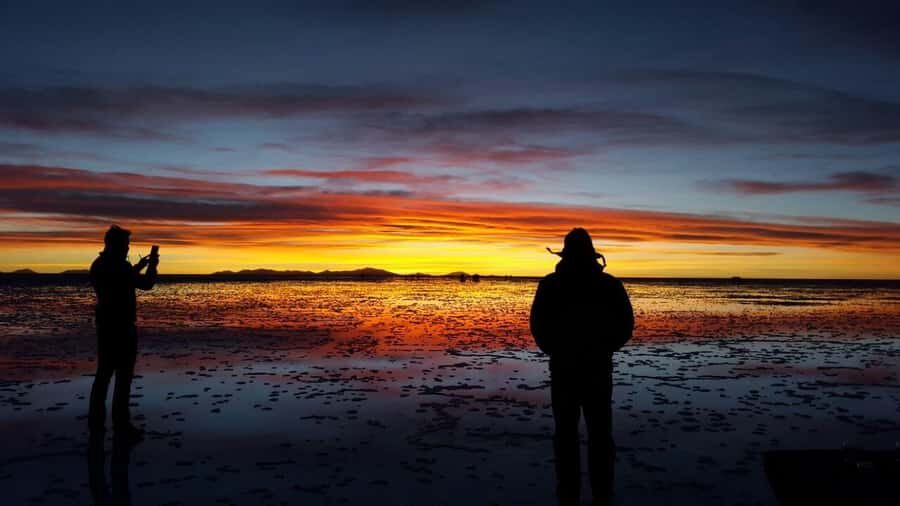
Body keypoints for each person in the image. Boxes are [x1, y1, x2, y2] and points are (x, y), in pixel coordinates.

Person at [530, 228, 633, 505]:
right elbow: (625, 326)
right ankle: (597, 493)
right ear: (591, 254)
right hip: (592, 368)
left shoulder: (551, 284)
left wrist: (556, 349)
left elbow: (538, 326)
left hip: (569, 368)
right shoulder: (609, 285)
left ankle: (572, 492)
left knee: (569, 433)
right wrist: (604, 347)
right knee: (596, 433)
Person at [88, 225, 158, 442]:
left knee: (103, 377)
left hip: (105, 326)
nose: (128, 248)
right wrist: (152, 266)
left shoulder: (99, 265)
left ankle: (96, 426)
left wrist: (136, 267)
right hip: (122, 327)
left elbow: (121, 279)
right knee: (123, 378)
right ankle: (121, 427)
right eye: (126, 245)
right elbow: (146, 284)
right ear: (116, 245)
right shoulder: (120, 266)